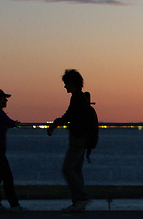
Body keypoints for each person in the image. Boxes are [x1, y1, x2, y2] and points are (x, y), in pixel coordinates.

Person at [47, 69, 92, 213]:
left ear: (72, 84)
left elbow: (68, 116)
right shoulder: (81, 98)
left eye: (66, 84)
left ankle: (81, 199)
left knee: (68, 168)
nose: (65, 87)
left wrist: (54, 124)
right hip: (82, 139)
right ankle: (78, 202)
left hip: (78, 139)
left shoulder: (77, 98)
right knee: (76, 169)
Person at [0, 89, 24, 212]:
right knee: (7, 177)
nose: (6, 100)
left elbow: (4, 125)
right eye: (4, 98)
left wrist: (9, 125)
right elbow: (10, 122)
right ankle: (14, 205)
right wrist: (14, 124)